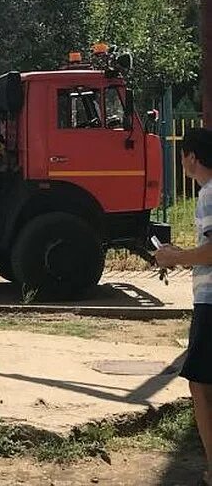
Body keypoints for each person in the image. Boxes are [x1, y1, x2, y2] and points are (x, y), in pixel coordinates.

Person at [155, 127, 212, 486]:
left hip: (210, 302)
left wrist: (175, 258)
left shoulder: (208, 196)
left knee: (200, 386)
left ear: (191, 157)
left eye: (182, 155)